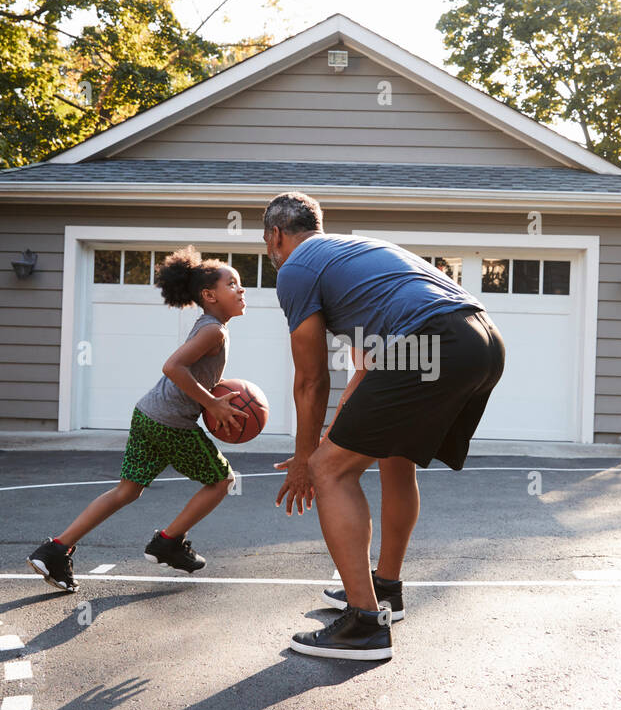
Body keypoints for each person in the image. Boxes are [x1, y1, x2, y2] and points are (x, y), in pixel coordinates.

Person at [266, 192, 506, 660]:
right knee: (394, 457)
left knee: (332, 472)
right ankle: (386, 590)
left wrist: (306, 460)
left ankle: (363, 624)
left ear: (276, 236)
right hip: (482, 341)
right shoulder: (357, 253)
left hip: (431, 340)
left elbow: (312, 379)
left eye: (267, 243)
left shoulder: (295, 269)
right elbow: (367, 366)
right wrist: (337, 431)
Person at [27, 247, 247, 592]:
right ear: (209, 295)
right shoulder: (214, 331)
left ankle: (55, 548)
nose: (242, 289)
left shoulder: (212, 327)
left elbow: (191, 372)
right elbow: (172, 367)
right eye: (232, 283)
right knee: (221, 481)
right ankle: (168, 543)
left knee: (127, 490)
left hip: (147, 415)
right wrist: (211, 404)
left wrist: (212, 394)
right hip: (169, 422)